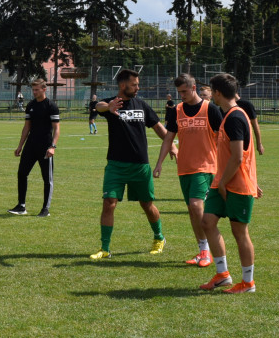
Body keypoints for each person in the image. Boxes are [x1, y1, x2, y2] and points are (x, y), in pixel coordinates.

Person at [90, 69, 176, 260]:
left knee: (147, 205)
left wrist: (172, 146)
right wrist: (109, 106)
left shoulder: (142, 105)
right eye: (134, 84)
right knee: (109, 204)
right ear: (123, 85)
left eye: (137, 84)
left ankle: (159, 238)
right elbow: (99, 106)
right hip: (115, 166)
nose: (138, 87)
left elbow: (158, 127)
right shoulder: (112, 103)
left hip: (140, 166)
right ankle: (105, 248)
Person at [199, 73, 262, 294]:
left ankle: (248, 283)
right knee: (207, 222)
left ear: (217, 93)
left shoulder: (235, 117)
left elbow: (237, 157)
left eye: (211, 92)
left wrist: (226, 183)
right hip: (223, 181)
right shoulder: (229, 115)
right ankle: (223, 274)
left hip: (234, 185)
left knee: (240, 233)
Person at [153, 74, 223, 267]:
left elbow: (221, 138)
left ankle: (208, 251)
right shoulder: (176, 110)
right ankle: (202, 251)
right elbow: (168, 138)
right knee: (192, 211)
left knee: (196, 206)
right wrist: (159, 163)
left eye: (184, 91)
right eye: (179, 92)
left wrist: (222, 164)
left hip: (206, 166)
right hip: (184, 167)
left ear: (193, 88)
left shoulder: (210, 109)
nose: (181, 95)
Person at [8, 79, 59, 217]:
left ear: (44, 89)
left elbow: (57, 129)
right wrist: (20, 146)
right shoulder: (30, 105)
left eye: (37, 89)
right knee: (22, 173)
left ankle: (45, 209)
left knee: (47, 178)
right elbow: (27, 127)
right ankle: (21, 206)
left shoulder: (51, 106)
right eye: (33, 90)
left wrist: (52, 146)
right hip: (30, 146)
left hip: (45, 147)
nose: (34, 92)